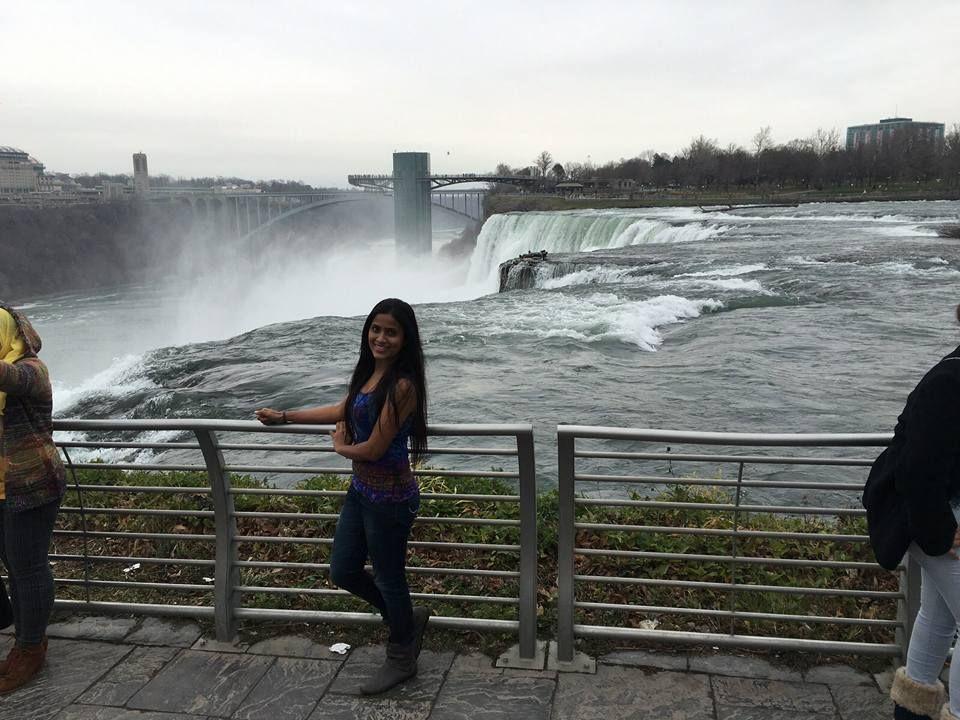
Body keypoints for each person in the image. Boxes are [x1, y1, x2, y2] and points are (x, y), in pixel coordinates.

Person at [256, 298, 430, 695]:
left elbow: (371, 448)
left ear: (405, 339)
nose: (380, 338)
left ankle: (402, 657)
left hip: (390, 499)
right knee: (343, 570)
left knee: (388, 577)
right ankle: (405, 621)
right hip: (362, 491)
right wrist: (285, 416)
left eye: (390, 332)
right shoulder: (369, 374)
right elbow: (343, 409)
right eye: (376, 329)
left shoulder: (403, 386)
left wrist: (339, 447)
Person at [864, 303, 960, 720]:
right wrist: (942, 532)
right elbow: (917, 470)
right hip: (936, 521)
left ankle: (912, 712)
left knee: (938, 618)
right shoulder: (950, 380)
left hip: (940, 516)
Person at [0, 304, 66, 694]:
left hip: (30, 485)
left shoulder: (31, 369)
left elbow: (11, 378)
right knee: (16, 566)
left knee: (27, 569)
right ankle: (19, 628)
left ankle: (30, 648)